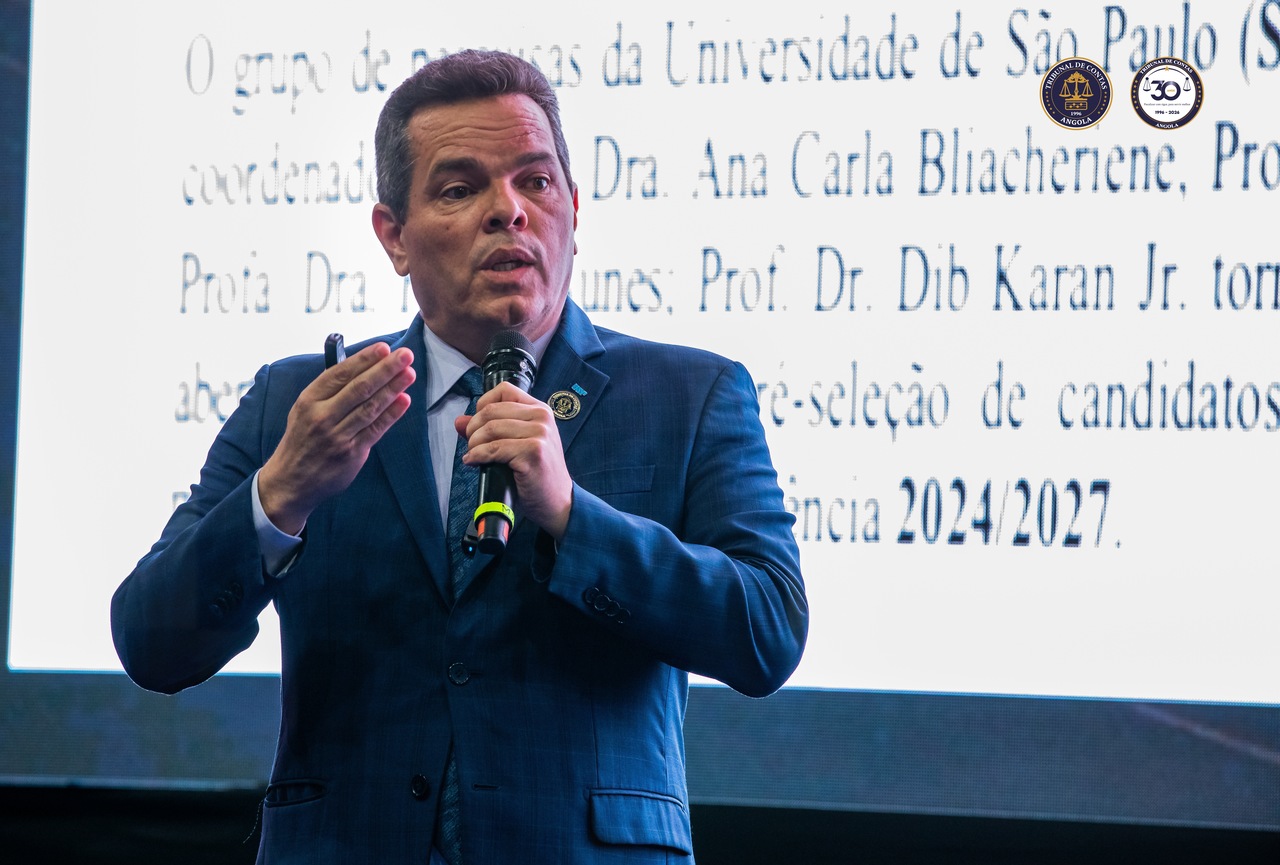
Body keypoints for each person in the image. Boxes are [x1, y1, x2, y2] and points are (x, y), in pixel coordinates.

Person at [111, 49, 807, 865]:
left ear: (574, 209)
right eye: (459, 188)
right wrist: (278, 498)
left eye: (535, 181)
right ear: (394, 236)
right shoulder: (301, 403)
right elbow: (151, 642)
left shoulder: (690, 395)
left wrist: (573, 518)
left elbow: (768, 629)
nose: (508, 211)